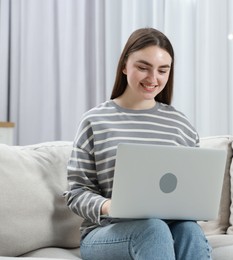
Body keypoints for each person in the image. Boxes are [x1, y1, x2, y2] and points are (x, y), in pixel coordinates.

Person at [64, 28, 212, 260]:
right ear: (124, 66)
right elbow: (76, 193)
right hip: (107, 233)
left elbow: (192, 191)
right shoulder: (95, 120)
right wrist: (109, 206)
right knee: (153, 228)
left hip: (168, 228)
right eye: (143, 67)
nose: (153, 79)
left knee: (190, 230)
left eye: (163, 70)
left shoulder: (179, 124)